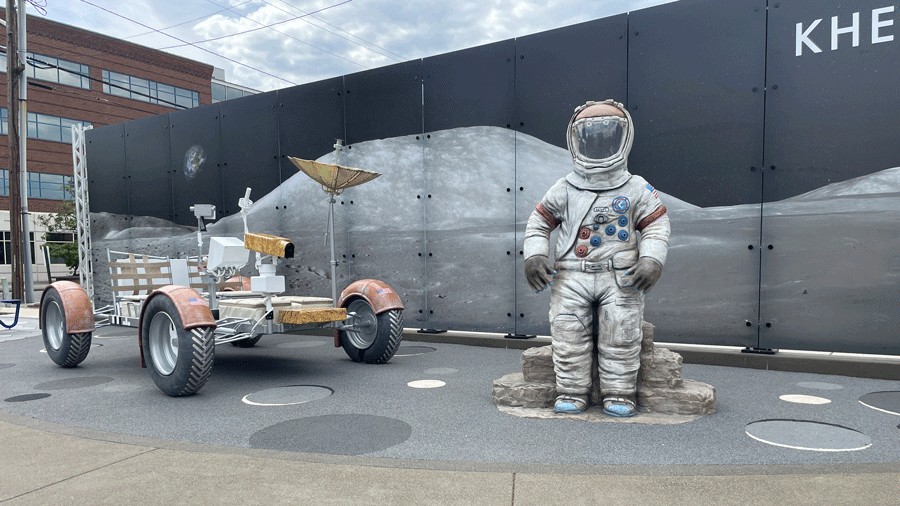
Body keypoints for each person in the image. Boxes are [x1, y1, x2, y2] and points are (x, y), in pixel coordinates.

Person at [523, 99, 670, 417]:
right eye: (591, 135)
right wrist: (534, 256)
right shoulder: (564, 189)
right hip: (571, 275)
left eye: (609, 135)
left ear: (624, 138)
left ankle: (619, 392)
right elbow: (538, 223)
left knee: (621, 332)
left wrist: (651, 260)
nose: (601, 142)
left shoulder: (635, 189)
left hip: (621, 276)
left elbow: (656, 225)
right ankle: (572, 390)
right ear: (576, 140)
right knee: (568, 333)